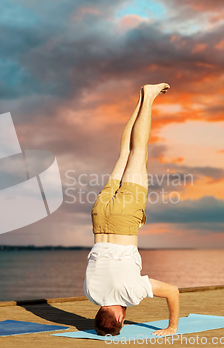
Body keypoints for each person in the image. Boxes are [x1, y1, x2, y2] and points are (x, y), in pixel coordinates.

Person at [84, 83, 180, 337]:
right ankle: (141, 99)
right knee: (125, 152)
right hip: (100, 218)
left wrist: (172, 327)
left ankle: (148, 97)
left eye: (122, 320)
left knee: (139, 150)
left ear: (119, 318)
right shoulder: (90, 294)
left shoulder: (131, 293)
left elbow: (172, 291)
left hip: (124, 219)